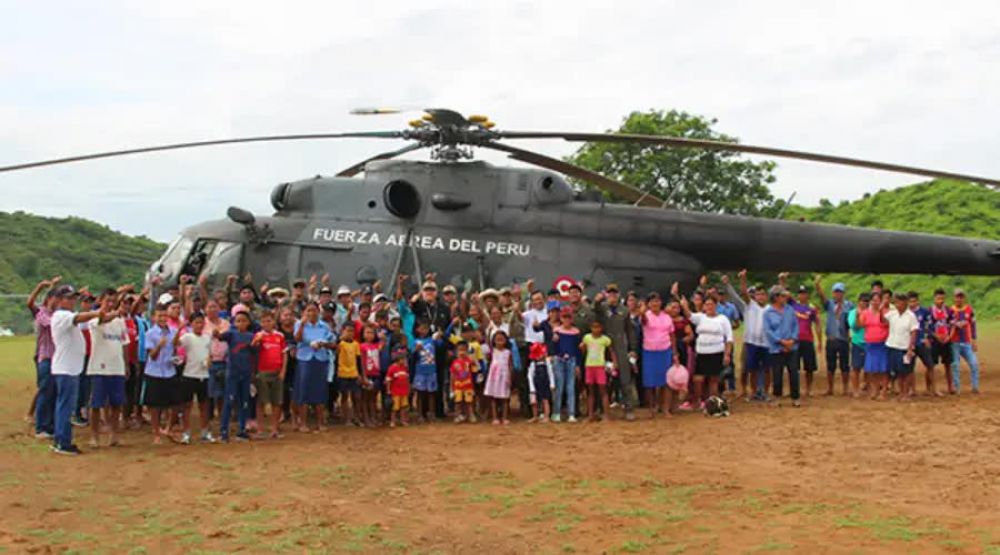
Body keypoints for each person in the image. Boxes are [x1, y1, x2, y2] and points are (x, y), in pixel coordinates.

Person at [50, 285, 107, 455]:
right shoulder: (61, 315)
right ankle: (62, 441)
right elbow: (81, 317)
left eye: (73, 298)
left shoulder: (66, 316)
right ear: (59, 300)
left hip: (70, 367)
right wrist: (97, 312)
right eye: (68, 298)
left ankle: (61, 439)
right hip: (66, 368)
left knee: (65, 405)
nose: (72, 301)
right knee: (65, 406)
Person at [593, 283, 638, 420]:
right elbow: (594, 310)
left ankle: (629, 408)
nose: (612, 296)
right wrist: (597, 300)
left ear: (618, 295)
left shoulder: (624, 310)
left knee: (625, 378)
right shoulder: (602, 307)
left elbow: (629, 331)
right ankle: (602, 409)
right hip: (604, 346)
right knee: (603, 379)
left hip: (620, 346)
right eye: (609, 293)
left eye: (614, 293)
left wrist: (633, 349)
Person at [681, 295, 734, 406]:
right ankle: (696, 402)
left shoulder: (723, 319)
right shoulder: (701, 317)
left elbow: (729, 338)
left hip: (716, 352)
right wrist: (684, 304)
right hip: (701, 353)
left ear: (716, 305)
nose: (709, 306)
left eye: (711, 304)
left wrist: (727, 354)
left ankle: (713, 403)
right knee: (698, 379)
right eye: (707, 304)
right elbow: (689, 315)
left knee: (713, 380)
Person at [724, 271, 769, 401]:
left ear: (766, 297)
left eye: (763, 294)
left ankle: (765, 392)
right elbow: (742, 293)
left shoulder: (769, 309)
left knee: (766, 370)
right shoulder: (749, 306)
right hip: (751, 342)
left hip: (766, 343)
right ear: (755, 296)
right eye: (758, 294)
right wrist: (742, 279)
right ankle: (754, 392)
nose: (760, 297)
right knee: (752, 369)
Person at [27, 276, 60, 439]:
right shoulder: (43, 314)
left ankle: (50, 425)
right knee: (45, 391)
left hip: (57, 359)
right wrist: (40, 286)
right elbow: (30, 303)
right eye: (55, 298)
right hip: (46, 357)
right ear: (48, 299)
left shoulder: (58, 314)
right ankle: (41, 426)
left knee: (54, 392)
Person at [216, 311, 257, 441]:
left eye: (244, 320)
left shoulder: (251, 336)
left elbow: (254, 352)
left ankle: (242, 429)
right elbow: (220, 337)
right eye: (238, 321)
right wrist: (216, 333)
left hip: (245, 373)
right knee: (229, 401)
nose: (241, 323)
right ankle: (224, 430)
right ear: (234, 323)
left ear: (248, 322)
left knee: (244, 401)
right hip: (232, 373)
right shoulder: (231, 334)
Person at [174, 311, 214, 443]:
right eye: (196, 322)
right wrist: (179, 330)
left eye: (201, 322)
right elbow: (176, 344)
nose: (199, 325)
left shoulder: (207, 337)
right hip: (189, 374)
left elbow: (210, 354)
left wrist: (209, 361)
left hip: (203, 374)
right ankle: (186, 432)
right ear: (191, 324)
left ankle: (205, 431)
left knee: (204, 405)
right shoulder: (187, 337)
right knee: (187, 405)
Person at [294, 303, 333, 432]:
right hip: (305, 359)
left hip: (321, 359)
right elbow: (297, 338)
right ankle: (303, 423)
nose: (312, 313)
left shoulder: (324, 326)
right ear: (305, 312)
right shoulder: (299, 324)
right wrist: (302, 325)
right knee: (304, 390)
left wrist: (323, 344)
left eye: (314, 310)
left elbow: (333, 342)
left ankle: (320, 422)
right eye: (309, 310)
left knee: (320, 390)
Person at [144, 306, 180, 445]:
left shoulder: (173, 332)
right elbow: (152, 356)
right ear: (154, 317)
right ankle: (156, 432)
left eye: (165, 316)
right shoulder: (150, 334)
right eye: (160, 316)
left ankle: (168, 428)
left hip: (170, 370)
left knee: (175, 403)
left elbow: (175, 350)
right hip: (154, 372)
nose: (163, 319)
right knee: (154, 406)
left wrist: (176, 358)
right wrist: (159, 346)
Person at [814, 277, 853, 396]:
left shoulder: (849, 305)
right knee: (830, 365)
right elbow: (822, 297)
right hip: (831, 338)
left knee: (844, 365)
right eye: (835, 292)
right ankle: (830, 388)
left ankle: (845, 388)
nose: (837, 294)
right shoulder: (829, 304)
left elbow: (852, 320)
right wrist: (817, 285)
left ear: (843, 293)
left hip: (843, 339)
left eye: (840, 292)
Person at [763, 286, 801, 407]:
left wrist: (792, 340)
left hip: (792, 347)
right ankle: (777, 397)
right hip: (776, 348)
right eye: (783, 296)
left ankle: (795, 397)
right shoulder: (768, 312)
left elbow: (795, 326)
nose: (786, 298)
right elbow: (768, 330)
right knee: (777, 374)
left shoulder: (790, 309)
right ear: (776, 297)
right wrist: (781, 341)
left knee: (794, 373)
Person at [253, 311, 286, 438]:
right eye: (264, 321)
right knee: (261, 401)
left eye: (269, 320)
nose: (267, 323)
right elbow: (253, 350)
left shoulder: (280, 336)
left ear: (274, 322)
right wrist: (257, 341)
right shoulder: (259, 335)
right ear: (260, 323)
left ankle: (274, 429)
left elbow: (284, 354)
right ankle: (260, 430)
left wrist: (283, 371)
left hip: (277, 371)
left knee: (277, 401)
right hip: (263, 372)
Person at [790, 285, 823, 397]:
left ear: (807, 295)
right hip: (795, 340)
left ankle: (808, 389)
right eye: (800, 293)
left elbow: (818, 324)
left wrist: (820, 341)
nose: (802, 295)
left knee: (809, 367)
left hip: (808, 339)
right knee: (794, 366)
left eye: (804, 293)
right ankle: (795, 389)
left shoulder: (812, 308)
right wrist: (782, 280)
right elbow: (783, 292)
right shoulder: (793, 305)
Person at [885, 293, 918, 401]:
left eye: (899, 302)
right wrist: (882, 306)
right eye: (896, 302)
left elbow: (914, 332)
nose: (897, 304)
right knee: (898, 372)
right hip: (893, 345)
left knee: (907, 371)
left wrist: (910, 347)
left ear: (905, 303)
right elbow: (882, 320)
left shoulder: (911, 316)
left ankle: (906, 393)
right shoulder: (892, 314)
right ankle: (901, 393)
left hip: (904, 347)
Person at [580, 320, 615, 421]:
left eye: (598, 327)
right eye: (594, 327)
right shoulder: (587, 338)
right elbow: (584, 351)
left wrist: (614, 363)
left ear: (601, 328)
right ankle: (590, 415)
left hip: (600, 366)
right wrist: (582, 348)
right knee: (590, 391)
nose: (596, 329)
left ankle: (607, 415)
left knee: (603, 391)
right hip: (589, 366)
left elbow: (611, 351)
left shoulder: (605, 339)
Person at [551, 307, 581, 423]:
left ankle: (571, 414)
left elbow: (578, 350)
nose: (566, 320)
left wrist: (578, 365)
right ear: (561, 318)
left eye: (568, 317)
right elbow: (554, 347)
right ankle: (557, 413)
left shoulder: (576, 332)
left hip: (572, 360)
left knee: (570, 387)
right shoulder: (557, 331)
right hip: (559, 360)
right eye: (564, 317)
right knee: (559, 387)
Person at [858, 293, 890, 401]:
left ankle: (884, 391)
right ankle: (875, 389)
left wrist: (880, 311)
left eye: (877, 300)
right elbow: (860, 325)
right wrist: (858, 315)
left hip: (882, 344)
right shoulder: (865, 313)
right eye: (873, 300)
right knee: (873, 369)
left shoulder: (886, 312)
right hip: (870, 344)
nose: (875, 302)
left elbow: (885, 323)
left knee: (883, 369)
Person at [908, 291, 940, 397]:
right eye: (910, 301)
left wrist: (927, 338)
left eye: (914, 301)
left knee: (930, 365)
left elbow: (930, 326)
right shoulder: (906, 313)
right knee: (910, 368)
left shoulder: (925, 312)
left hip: (922, 342)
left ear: (918, 301)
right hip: (910, 344)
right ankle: (912, 390)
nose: (912, 303)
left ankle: (933, 389)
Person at [949, 289, 979, 394]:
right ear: (954, 298)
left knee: (974, 363)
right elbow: (946, 324)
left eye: (961, 297)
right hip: (954, 342)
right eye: (957, 297)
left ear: (964, 298)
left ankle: (975, 386)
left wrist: (974, 340)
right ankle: (957, 388)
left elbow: (973, 325)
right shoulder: (950, 310)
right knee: (955, 365)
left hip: (966, 341)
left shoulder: (969, 310)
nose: (959, 299)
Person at [335, 324, 364, 426]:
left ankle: (356, 417)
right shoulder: (340, 343)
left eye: (352, 331)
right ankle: (346, 418)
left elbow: (358, 360)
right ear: (343, 331)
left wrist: (360, 374)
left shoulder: (356, 344)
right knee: (344, 396)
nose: (350, 333)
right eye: (348, 331)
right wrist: (339, 339)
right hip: (342, 373)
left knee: (356, 396)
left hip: (354, 373)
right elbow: (336, 351)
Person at [484, 330, 514, 425]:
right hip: (493, 377)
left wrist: (510, 377)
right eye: (497, 339)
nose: (499, 340)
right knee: (493, 397)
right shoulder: (492, 351)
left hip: (504, 376)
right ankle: (495, 417)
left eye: (502, 338)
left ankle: (504, 417)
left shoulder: (508, 352)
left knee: (504, 398)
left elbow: (510, 365)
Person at [928, 288, 954, 395]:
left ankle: (950, 387)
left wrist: (949, 336)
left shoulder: (948, 310)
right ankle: (930, 388)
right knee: (931, 365)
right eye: (938, 298)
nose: (941, 301)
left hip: (946, 340)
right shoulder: (929, 311)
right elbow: (928, 327)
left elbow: (952, 325)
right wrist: (936, 336)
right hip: (934, 341)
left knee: (948, 364)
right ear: (934, 298)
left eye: (942, 299)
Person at [359, 324, 383, 427]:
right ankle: (366, 418)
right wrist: (363, 376)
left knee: (373, 398)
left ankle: (373, 417)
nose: (370, 335)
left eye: (372, 333)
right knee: (365, 398)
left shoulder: (376, 345)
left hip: (376, 374)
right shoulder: (362, 346)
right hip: (367, 375)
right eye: (367, 332)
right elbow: (361, 362)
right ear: (363, 334)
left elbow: (383, 343)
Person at [846, 293, 869, 398]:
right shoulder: (853, 313)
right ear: (858, 302)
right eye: (863, 301)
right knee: (856, 368)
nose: (865, 303)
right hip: (858, 342)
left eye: (866, 301)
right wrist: (858, 316)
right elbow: (854, 327)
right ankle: (855, 389)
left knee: (869, 368)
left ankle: (868, 387)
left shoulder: (871, 312)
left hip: (870, 342)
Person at [450, 342, 477, 423]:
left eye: (464, 350)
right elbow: (452, 375)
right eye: (460, 350)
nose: (462, 352)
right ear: (456, 351)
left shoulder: (469, 362)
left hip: (468, 385)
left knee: (469, 402)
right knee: (458, 402)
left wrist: (474, 362)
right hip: (458, 386)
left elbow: (474, 372)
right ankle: (457, 415)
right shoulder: (454, 362)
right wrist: (452, 389)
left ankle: (470, 415)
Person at [385, 351, 410, 427]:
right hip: (395, 391)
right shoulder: (392, 368)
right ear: (399, 360)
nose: (405, 361)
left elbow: (407, 379)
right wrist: (388, 390)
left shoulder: (405, 368)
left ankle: (403, 420)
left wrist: (408, 388)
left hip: (404, 391)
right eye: (403, 359)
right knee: (394, 408)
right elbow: (388, 380)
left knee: (403, 407)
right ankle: (393, 421)